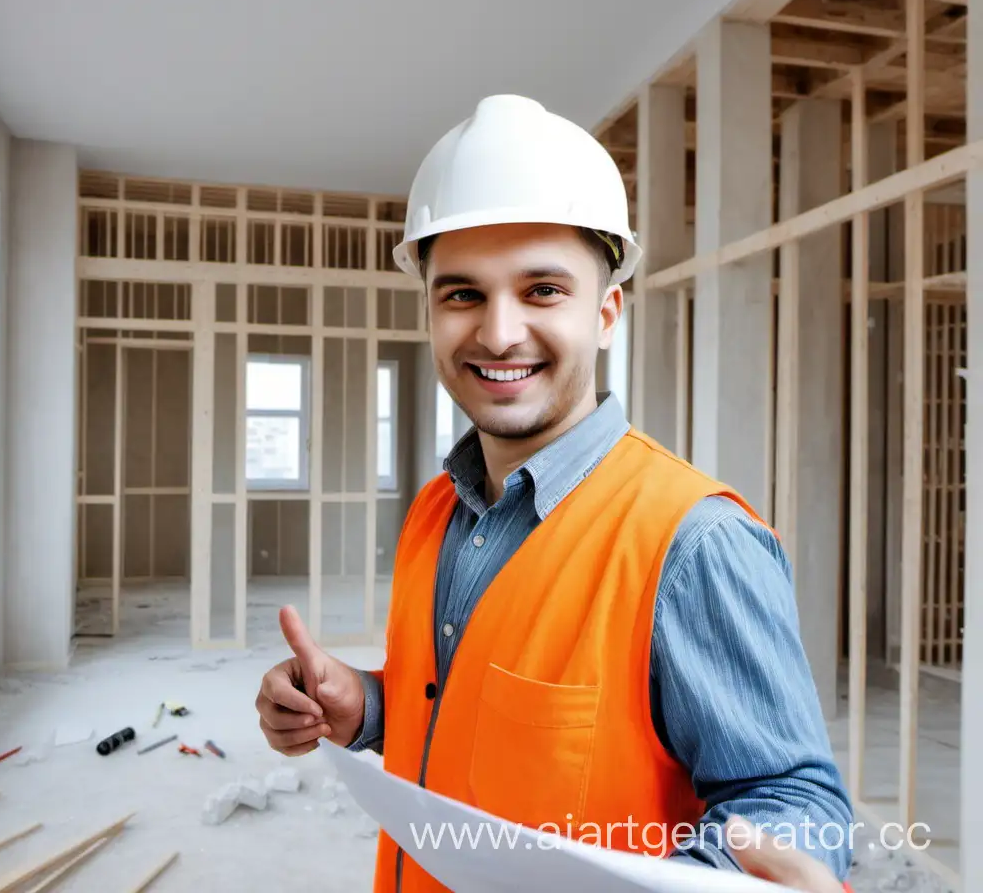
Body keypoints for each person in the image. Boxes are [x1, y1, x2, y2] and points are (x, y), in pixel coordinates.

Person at [255, 94, 854, 892]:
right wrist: (363, 706)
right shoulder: (440, 511)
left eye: (542, 290)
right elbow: (469, 715)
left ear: (606, 313)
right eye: (462, 293)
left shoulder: (690, 543)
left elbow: (797, 805)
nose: (499, 332)